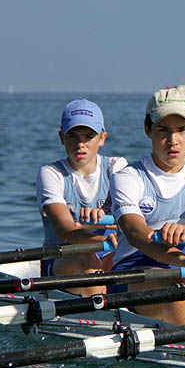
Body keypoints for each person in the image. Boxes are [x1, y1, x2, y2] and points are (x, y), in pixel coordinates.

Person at [109, 88, 185, 324]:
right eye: (163, 130)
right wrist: (179, 259)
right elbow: (135, 232)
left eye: (182, 130)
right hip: (135, 270)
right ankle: (184, 343)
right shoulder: (128, 177)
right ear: (148, 129)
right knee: (174, 283)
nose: (173, 140)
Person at [36, 99, 127, 297]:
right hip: (63, 259)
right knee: (86, 258)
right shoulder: (51, 174)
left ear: (102, 138)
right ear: (62, 137)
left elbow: (131, 221)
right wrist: (101, 235)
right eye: (73, 136)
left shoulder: (116, 167)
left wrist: (98, 225)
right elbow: (65, 230)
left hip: (108, 255)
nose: (80, 144)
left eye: (89, 136)